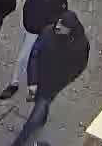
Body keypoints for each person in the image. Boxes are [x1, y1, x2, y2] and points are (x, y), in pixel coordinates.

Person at [12, 9, 90, 146]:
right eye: (59, 22)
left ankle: (19, 141)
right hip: (39, 78)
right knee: (41, 104)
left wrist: (64, 80)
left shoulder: (80, 45)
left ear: (71, 30)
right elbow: (35, 54)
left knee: (36, 115)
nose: (58, 26)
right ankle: (42, 118)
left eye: (63, 25)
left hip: (52, 85)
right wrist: (32, 81)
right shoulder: (49, 31)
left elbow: (79, 67)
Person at [0, 0, 68, 101]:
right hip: (28, 25)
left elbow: (59, 16)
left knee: (23, 58)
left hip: (37, 31)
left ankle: (15, 83)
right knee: (29, 57)